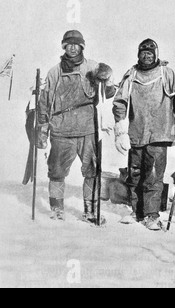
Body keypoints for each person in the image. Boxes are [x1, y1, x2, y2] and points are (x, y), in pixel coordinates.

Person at [113, 38, 175, 231]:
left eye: (150, 53)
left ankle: (152, 215)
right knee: (135, 174)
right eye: (143, 53)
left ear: (156, 55)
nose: (146, 56)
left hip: (160, 132)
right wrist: (121, 128)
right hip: (136, 132)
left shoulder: (166, 73)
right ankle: (137, 211)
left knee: (154, 175)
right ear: (138, 55)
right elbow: (120, 102)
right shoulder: (131, 75)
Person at [37, 30, 115, 223]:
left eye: (76, 44)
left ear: (82, 46)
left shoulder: (92, 67)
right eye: (68, 44)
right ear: (64, 47)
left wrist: (107, 77)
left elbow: (109, 91)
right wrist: (42, 127)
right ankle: (57, 209)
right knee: (56, 172)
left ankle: (90, 210)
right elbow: (44, 102)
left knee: (91, 171)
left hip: (87, 129)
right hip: (61, 130)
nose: (72, 48)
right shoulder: (54, 72)